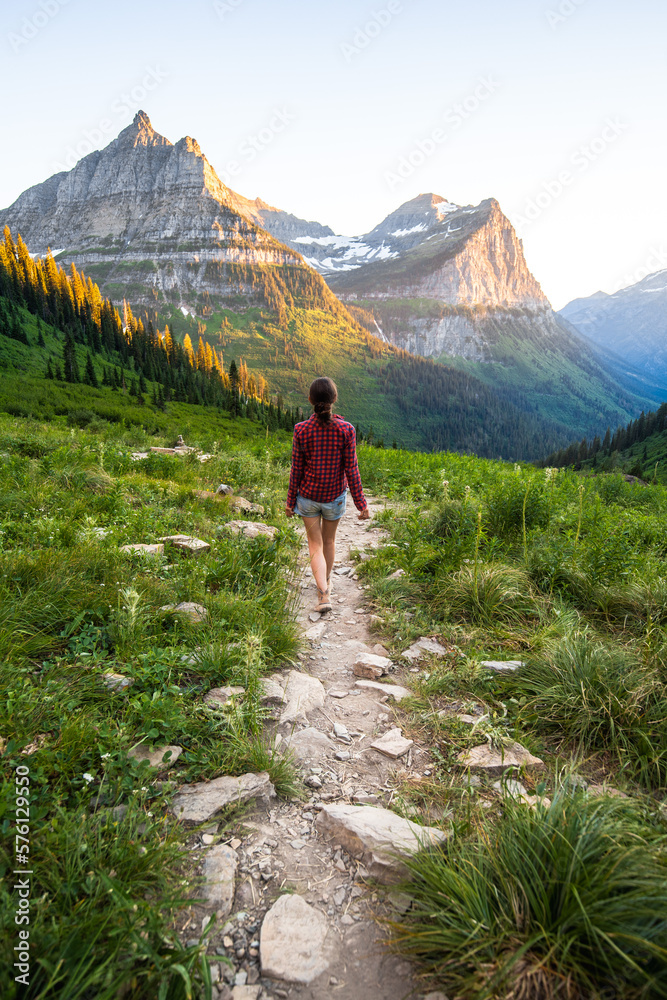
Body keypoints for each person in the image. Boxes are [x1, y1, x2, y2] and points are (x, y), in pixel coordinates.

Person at [286, 376, 370, 612]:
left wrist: (290, 502)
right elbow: (351, 469)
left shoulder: (301, 430)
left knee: (315, 544)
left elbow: (297, 469)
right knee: (329, 541)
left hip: (308, 498)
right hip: (334, 498)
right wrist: (361, 503)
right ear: (334, 399)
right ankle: (327, 582)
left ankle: (323, 592)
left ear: (310, 399)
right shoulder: (346, 430)